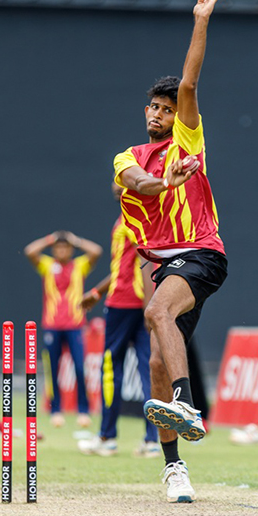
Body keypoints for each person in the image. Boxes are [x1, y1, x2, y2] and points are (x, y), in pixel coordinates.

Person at [112, 0, 228, 503]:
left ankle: (186, 401)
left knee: (156, 316)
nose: (158, 113)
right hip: (161, 265)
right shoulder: (128, 156)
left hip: (202, 253)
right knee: (157, 360)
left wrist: (200, 21)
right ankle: (174, 468)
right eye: (152, 108)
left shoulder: (187, 138)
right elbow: (136, 184)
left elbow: (189, 82)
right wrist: (167, 183)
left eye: (165, 107)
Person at [77, 183, 158, 458]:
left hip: (124, 304)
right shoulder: (138, 214)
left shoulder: (133, 218)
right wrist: (97, 292)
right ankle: (151, 440)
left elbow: (147, 261)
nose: (114, 183)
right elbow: (126, 265)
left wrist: (151, 306)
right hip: (130, 301)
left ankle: (107, 437)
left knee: (112, 369)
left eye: (120, 178)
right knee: (148, 370)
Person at [24, 230, 102, 429]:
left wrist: (76, 240)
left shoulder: (79, 266)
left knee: (78, 367)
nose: (61, 251)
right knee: (53, 369)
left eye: (65, 247)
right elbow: (30, 251)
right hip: (52, 326)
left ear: (71, 250)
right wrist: (50, 238)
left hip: (75, 326)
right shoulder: (48, 266)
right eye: (58, 248)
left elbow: (96, 251)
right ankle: (55, 410)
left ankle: (83, 411)